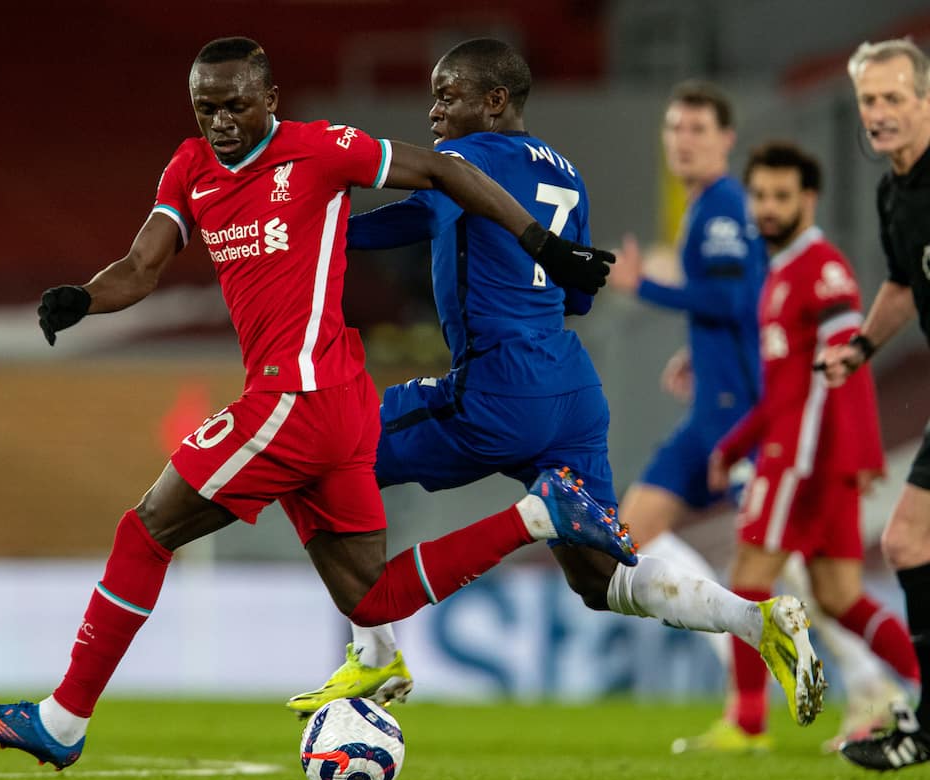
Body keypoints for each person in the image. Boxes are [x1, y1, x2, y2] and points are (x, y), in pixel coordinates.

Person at [0, 35, 631, 771]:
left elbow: (439, 170)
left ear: (270, 100)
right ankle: (536, 515)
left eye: (236, 105)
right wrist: (85, 298)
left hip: (296, 394)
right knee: (371, 600)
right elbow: (142, 266)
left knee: (145, 531)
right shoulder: (190, 168)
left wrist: (544, 245)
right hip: (339, 405)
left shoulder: (321, 149)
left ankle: (62, 719)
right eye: (206, 107)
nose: (221, 122)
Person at [282, 39, 825, 735]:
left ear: (495, 100)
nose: (434, 110)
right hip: (570, 390)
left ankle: (377, 651)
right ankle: (755, 620)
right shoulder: (566, 174)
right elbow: (572, 293)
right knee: (602, 580)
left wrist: (304, 219)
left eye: (449, 96)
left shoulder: (462, 162)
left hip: (495, 390)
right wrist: (333, 240)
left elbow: (425, 189)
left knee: (318, 454)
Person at [671, 141, 920, 755]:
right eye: (760, 195)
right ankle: (920, 688)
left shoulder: (822, 269)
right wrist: (735, 444)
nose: (768, 208)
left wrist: (856, 452)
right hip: (803, 454)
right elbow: (786, 390)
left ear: (809, 199)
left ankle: (748, 722)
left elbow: (849, 365)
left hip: (802, 461)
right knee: (838, 596)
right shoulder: (779, 275)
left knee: (746, 582)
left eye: (782, 196)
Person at [607, 80, 767, 670]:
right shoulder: (706, 204)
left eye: (698, 129)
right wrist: (696, 354)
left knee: (785, 566)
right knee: (630, 531)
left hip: (738, 412)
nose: (683, 140)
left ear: (726, 139)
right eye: (675, 128)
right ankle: (736, 639)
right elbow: (732, 304)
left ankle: (871, 685)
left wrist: (643, 284)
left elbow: (735, 300)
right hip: (713, 409)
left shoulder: (724, 203)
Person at [824, 38, 930, 772]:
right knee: (907, 544)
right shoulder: (895, 191)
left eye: (896, 97)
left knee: (907, 543)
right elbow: (901, 283)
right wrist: (860, 349)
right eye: (871, 99)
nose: (881, 113)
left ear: (925, 100)